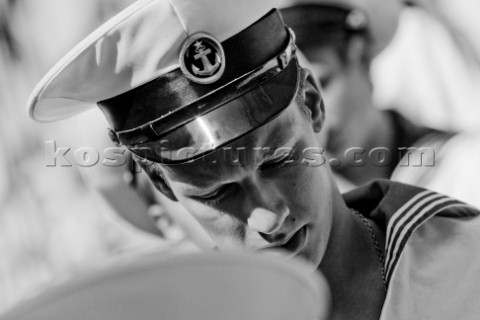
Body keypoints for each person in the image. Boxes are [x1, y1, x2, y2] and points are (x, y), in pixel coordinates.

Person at [27, 0, 480, 318]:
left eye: (279, 160)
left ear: (312, 102)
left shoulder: (465, 268)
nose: (269, 217)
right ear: (161, 186)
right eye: (218, 192)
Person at [279, 0, 480, 209]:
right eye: (293, 101)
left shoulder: (464, 169)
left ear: (360, 57)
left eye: (322, 85)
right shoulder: (303, 210)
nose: (314, 117)